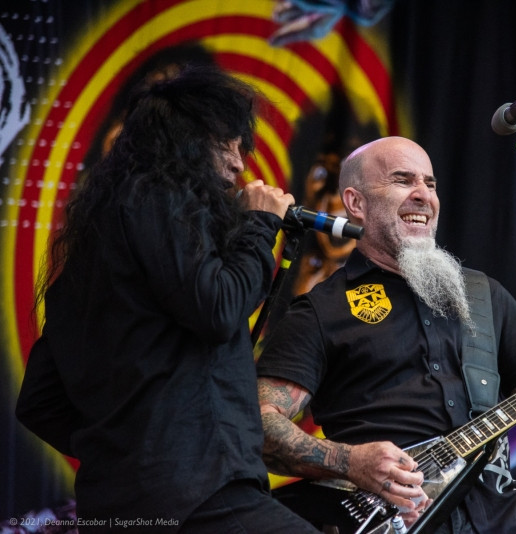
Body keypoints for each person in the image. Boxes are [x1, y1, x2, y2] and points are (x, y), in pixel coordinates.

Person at [255, 136, 516, 533]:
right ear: (355, 203)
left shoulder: (483, 295)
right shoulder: (321, 309)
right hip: (396, 512)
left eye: (430, 184)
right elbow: (258, 424)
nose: (423, 194)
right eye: (403, 180)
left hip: (503, 509)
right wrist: (351, 461)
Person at [15, 65, 318, 533]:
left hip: (118, 504)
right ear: (188, 138)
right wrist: (259, 225)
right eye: (229, 144)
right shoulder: (158, 197)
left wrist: (125, 447)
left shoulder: (91, 253)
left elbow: (39, 400)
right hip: (198, 492)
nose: (240, 164)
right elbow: (219, 308)